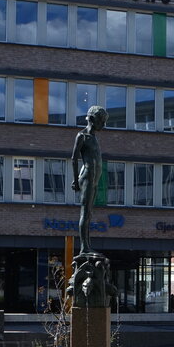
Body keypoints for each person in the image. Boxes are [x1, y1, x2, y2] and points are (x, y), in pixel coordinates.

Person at [70, 105, 108, 253]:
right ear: (92, 120)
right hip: (86, 176)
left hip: (94, 179)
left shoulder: (94, 138)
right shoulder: (82, 136)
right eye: (101, 121)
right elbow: (74, 159)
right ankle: (84, 247)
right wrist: (75, 180)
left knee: (89, 213)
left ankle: (87, 245)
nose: (103, 125)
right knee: (85, 212)